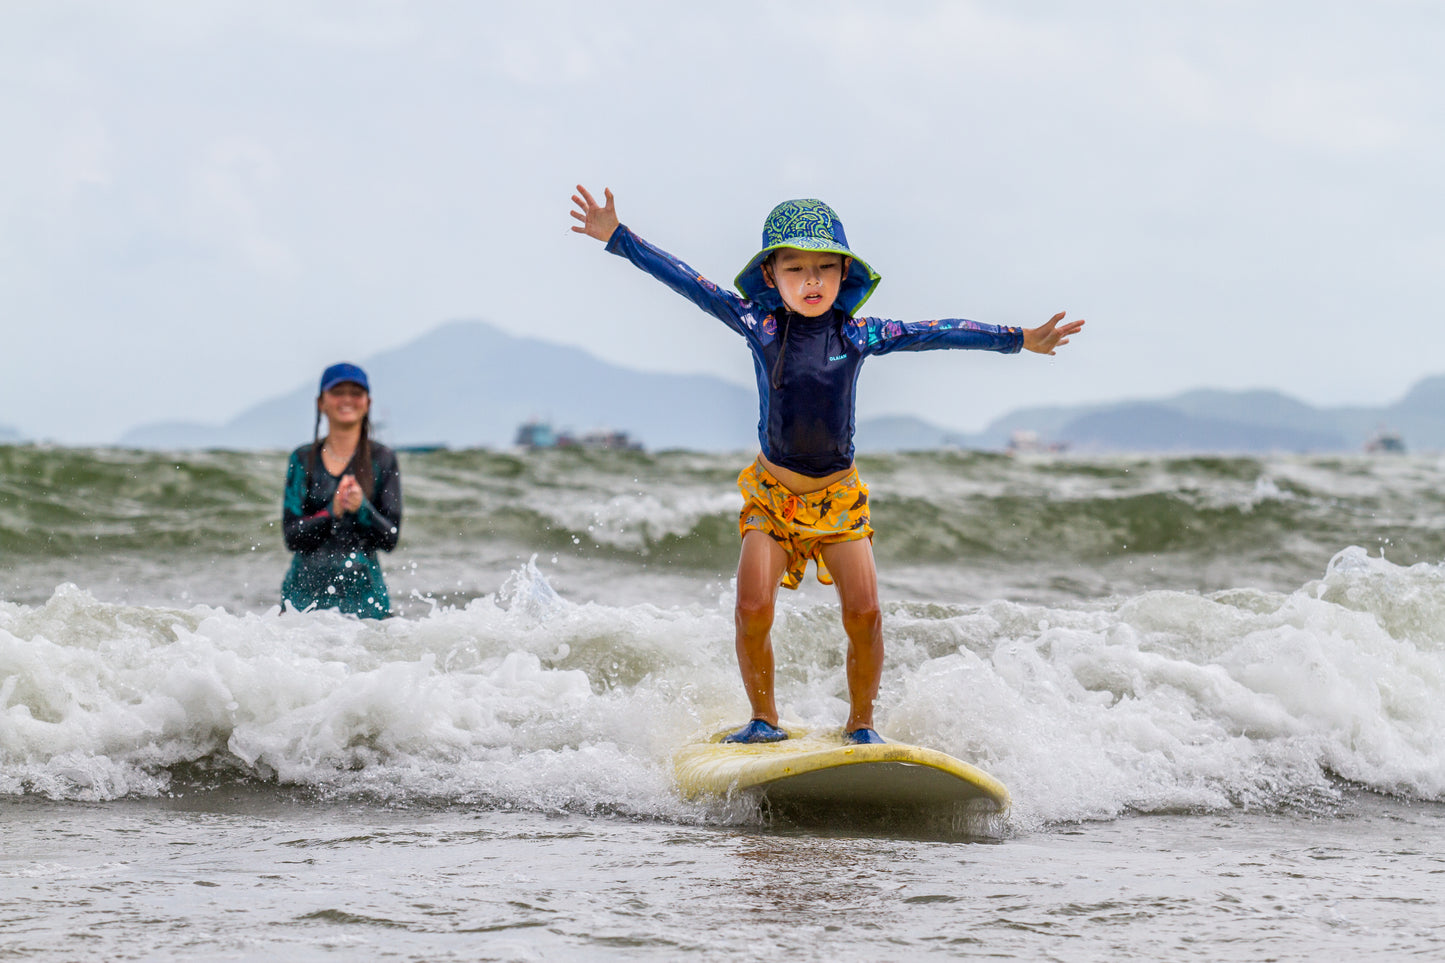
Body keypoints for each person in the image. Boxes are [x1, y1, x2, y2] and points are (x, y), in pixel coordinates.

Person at [571, 186, 1083, 744]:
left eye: (824, 269)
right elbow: (689, 282)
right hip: (772, 496)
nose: (811, 281)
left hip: (838, 500)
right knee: (750, 607)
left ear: (844, 275)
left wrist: (1018, 339)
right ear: (771, 276)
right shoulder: (757, 325)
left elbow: (938, 331)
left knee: (865, 615)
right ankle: (764, 720)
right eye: (795, 268)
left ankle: (862, 725)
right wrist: (618, 238)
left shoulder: (858, 334)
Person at [281, 362, 402, 619]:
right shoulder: (302, 459)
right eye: (338, 392)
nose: (347, 400)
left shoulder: (383, 459)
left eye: (355, 393)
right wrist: (331, 512)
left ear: (367, 403)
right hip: (303, 603)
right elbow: (291, 536)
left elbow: (390, 538)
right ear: (321, 403)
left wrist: (362, 509)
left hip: (366, 604)